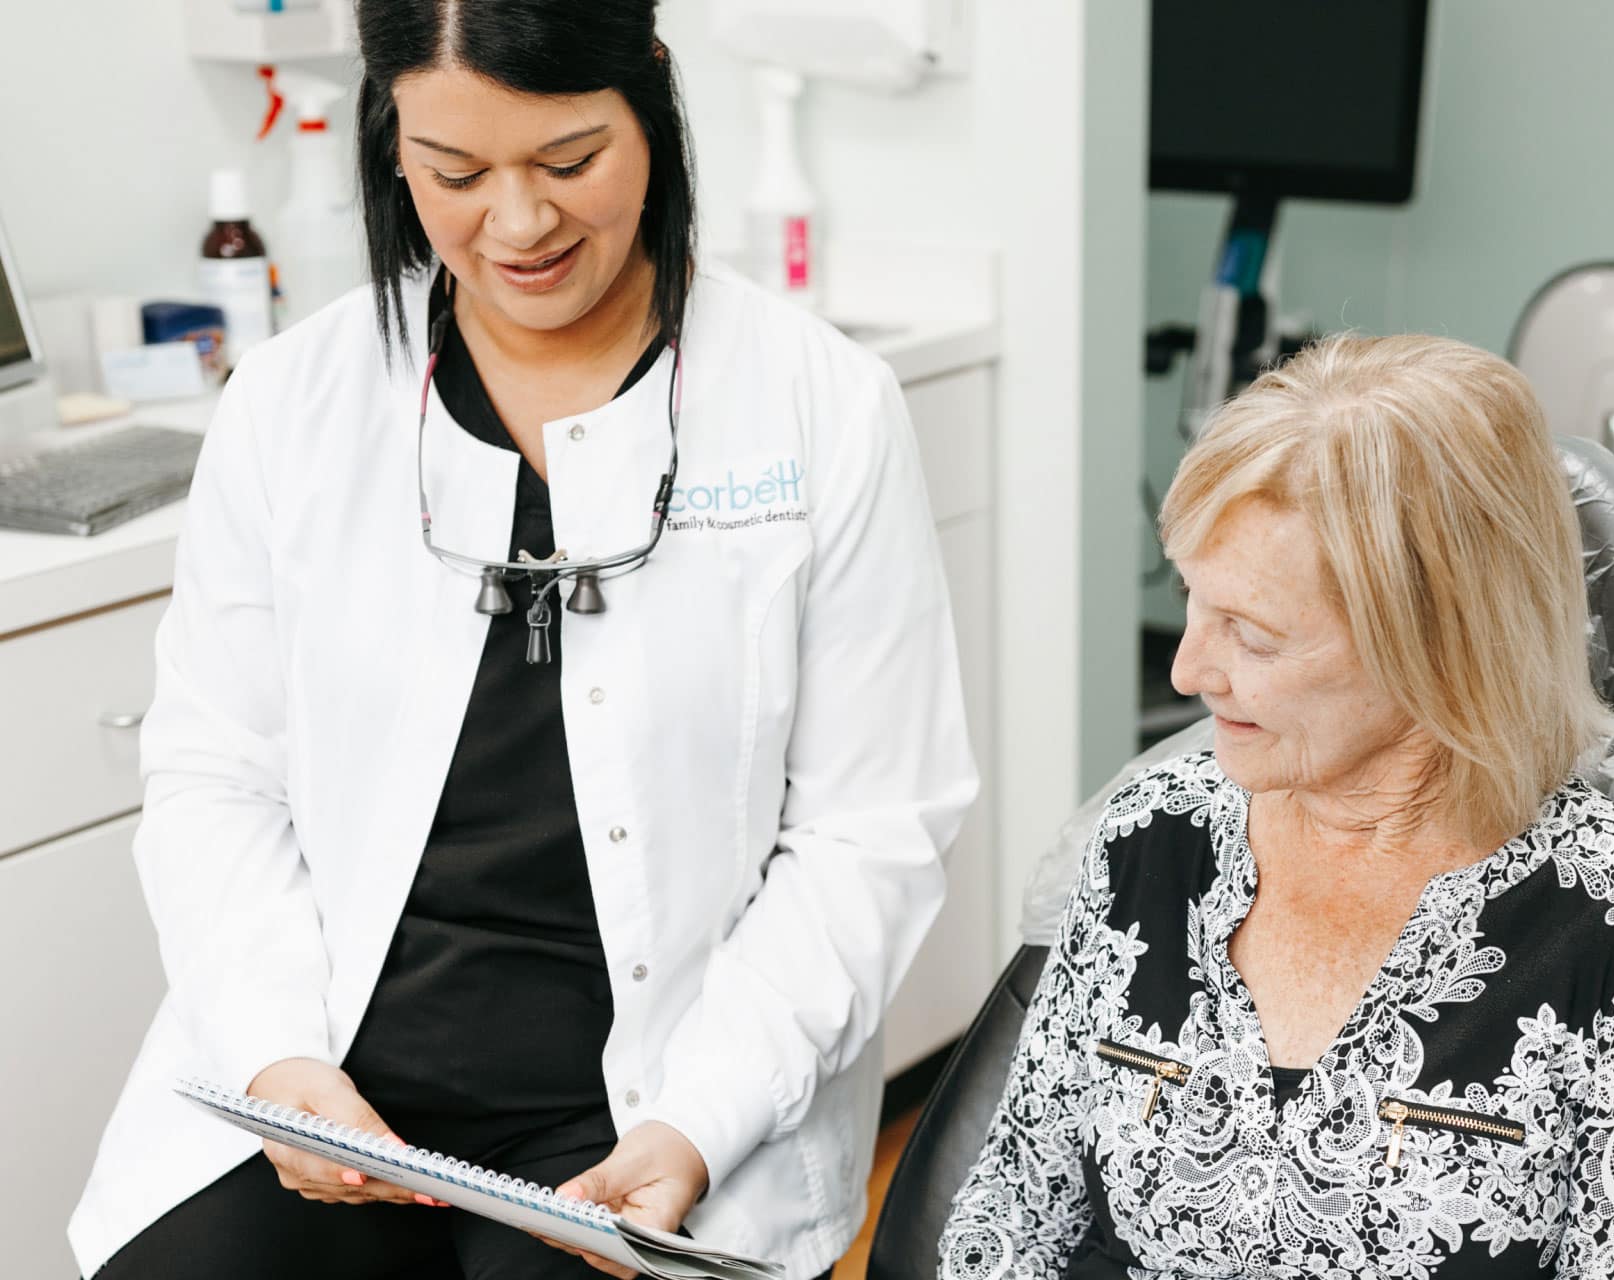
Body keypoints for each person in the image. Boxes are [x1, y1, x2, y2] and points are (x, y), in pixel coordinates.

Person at [71, 2, 975, 1276]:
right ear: (394, 140)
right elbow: (214, 776)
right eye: (456, 172)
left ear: (649, 98)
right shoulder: (292, 403)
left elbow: (871, 827)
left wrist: (699, 1120)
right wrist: (276, 1057)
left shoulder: (820, 405)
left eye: (567, 162)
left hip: (648, 1112)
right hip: (332, 1080)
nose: (519, 223)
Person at [938, 334, 1614, 1278]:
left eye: (1255, 636)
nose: (1187, 669)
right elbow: (1008, 1223)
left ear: (1440, 644)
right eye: (1195, 603)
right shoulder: (1151, 841)